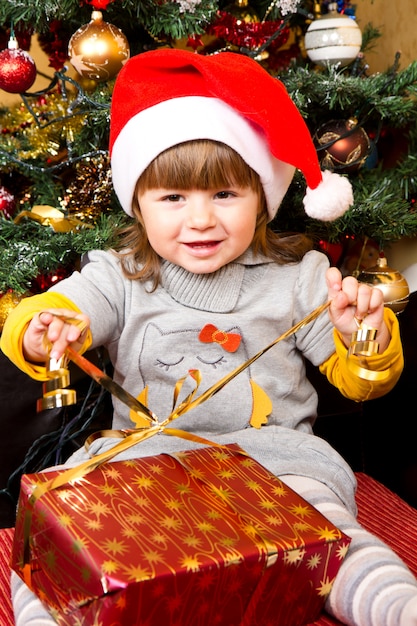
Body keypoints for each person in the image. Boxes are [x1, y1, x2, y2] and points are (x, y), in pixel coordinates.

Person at [2, 48, 417, 626]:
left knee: (332, 538)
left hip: (278, 466)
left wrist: (365, 333)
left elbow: (364, 382)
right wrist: (44, 329)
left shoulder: (299, 280)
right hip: (144, 468)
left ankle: (398, 608)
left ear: (263, 201)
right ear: (139, 204)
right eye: (173, 198)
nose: (200, 219)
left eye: (225, 194)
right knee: (60, 544)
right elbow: (49, 312)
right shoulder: (119, 275)